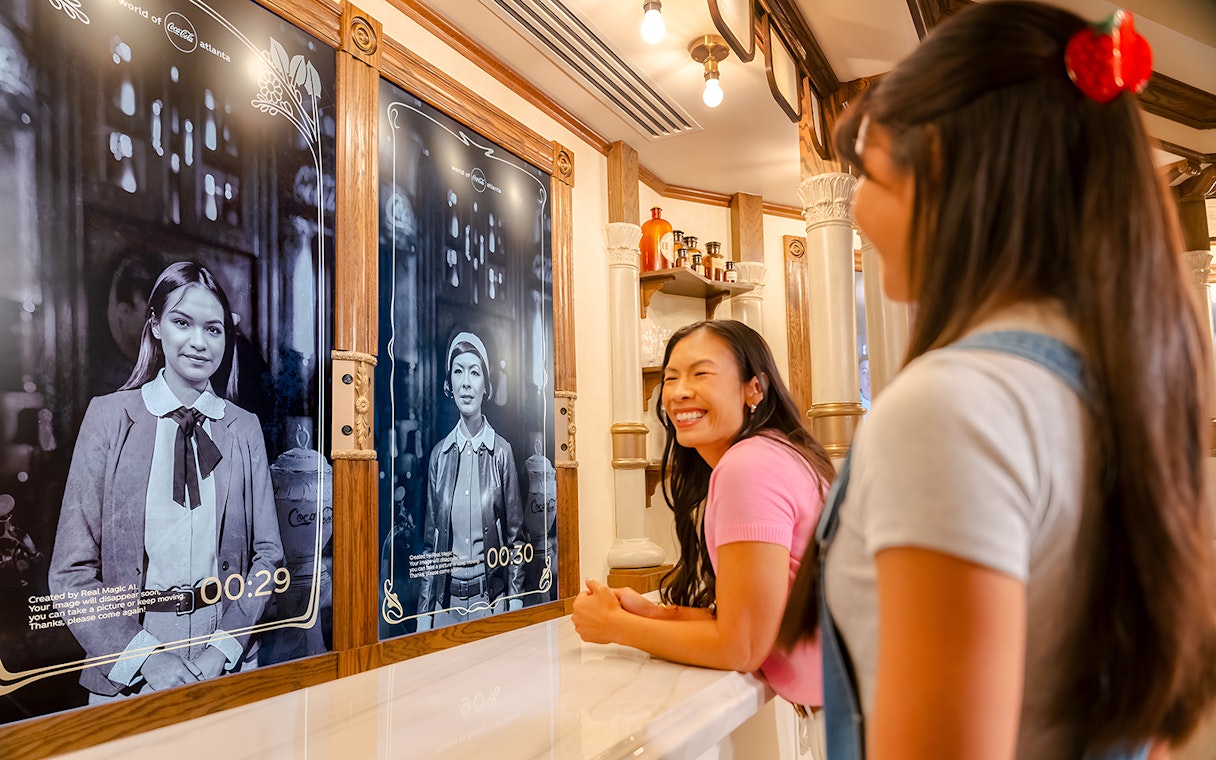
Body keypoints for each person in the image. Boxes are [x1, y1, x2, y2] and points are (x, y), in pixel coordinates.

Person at [779, 3, 1216, 759]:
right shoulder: (1114, 391)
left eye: (867, 172)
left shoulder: (952, 408)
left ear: (941, 164)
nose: (859, 207)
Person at [572, 319, 834, 742]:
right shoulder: (777, 452)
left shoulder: (748, 466)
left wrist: (615, 627)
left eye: (701, 374)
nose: (679, 392)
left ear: (754, 388)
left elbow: (742, 647)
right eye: (671, 377)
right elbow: (752, 616)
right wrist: (654, 614)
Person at [49, 261, 283, 700]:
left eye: (213, 329)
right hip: (129, 663)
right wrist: (145, 658)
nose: (199, 342)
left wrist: (224, 647)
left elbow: (268, 556)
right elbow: (69, 573)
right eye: (182, 323)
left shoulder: (243, 428)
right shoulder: (109, 418)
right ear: (156, 325)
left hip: (225, 655)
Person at [415, 331, 524, 629]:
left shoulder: (501, 452)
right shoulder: (439, 456)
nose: (466, 382)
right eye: (458, 371)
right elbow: (430, 547)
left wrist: (514, 604)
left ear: (485, 385)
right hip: (445, 608)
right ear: (449, 384)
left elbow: (516, 540)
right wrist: (424, 616)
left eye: (474, 373)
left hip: (491, 605)